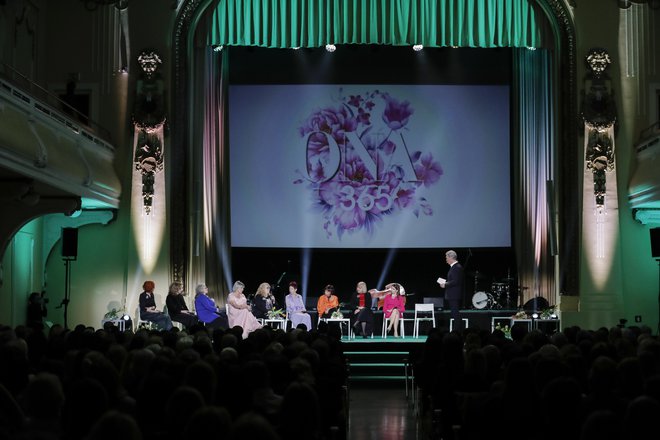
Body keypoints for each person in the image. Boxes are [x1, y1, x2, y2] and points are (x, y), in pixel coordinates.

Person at [438, 250, 465, 332]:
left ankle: (457, 331)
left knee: (455, 313)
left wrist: (445, 284)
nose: (446, 259)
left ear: (451, 257)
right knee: (454, 313)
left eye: (446, 257)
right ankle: (457, 330)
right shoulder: (454, 267)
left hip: (454, 295)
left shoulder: (457, 267)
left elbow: (455, 281)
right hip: (452, 294)